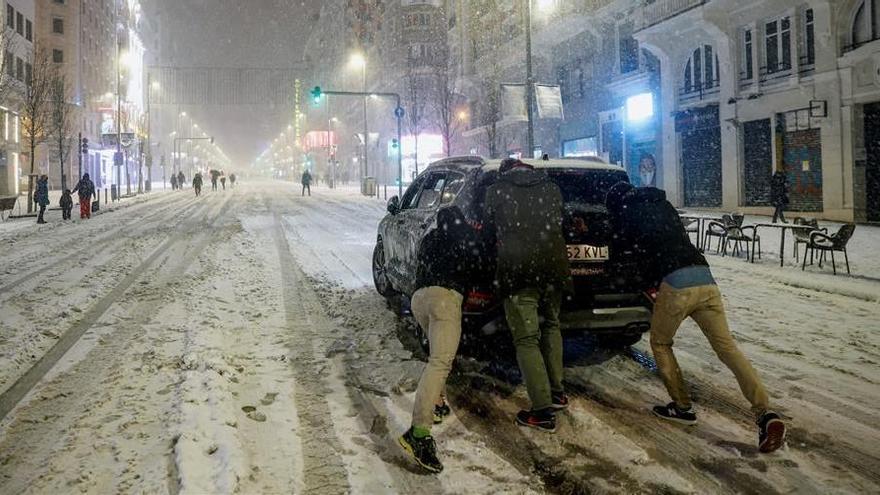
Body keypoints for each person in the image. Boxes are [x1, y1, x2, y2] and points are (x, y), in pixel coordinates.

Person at [605, 182, 786, 453]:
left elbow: (627, 250)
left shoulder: (627, 212)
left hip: (676, 283)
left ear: (617, 202)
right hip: (704, 275)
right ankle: (765, 414)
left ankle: (682, 407)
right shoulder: (663, 205)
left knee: (661, 343)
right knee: (727, 349)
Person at [483, 158, 572, 433]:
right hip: (554, 270)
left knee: (526, 339)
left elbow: (486, 227)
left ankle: (542, 411)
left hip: (519, 272)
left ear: (504, 173)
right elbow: (561, 220)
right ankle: (557, 392)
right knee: (552, 326)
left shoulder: (496, 190)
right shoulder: (552, 188)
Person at [398, 206, 484, 473]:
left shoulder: (431, 237)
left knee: (436, 354)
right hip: (445, 299)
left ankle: (436, 403)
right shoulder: (464, 235)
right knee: (441, 362)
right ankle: (419, 434)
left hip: (419, 299)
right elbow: (478, 264)